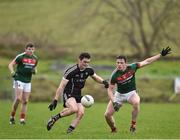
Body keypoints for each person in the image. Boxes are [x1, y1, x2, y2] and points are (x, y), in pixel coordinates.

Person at [104, 47, 171, 133]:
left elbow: (147, 61)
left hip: (131, 93)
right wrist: (114, 102)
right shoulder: (114, 75)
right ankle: (113, 129)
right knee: (107, 115)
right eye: (117, 63)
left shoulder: (133, 67)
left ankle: (133, 125)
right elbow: (110, 90)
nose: (119, 64)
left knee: (136, 102)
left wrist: (160, 55)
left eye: (121, 63)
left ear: (125, 63)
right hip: (119, 94)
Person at [46, 52, 109, 133]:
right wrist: (55, 100)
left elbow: (95, 77)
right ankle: (54, 118)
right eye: (84, 62)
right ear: (79, 60)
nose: (86, 64)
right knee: (74, 109)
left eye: (88, 62)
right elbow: (61, 86)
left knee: (81, 113)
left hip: (78, 94)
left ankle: (69, 132)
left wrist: (104, 82)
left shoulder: (89, 70)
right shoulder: (71, 71)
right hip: (68, 93)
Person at [8, 42, 38, 125]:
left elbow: (35, 69)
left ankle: (22, 119)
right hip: (19, 79)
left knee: (25, 101)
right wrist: (12, 72)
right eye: (29, 49)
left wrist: (34, 71)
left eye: (32, 49)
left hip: (28, 81)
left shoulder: (35, 58)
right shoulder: (20, 57)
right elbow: (10, 65)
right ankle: (12, 116)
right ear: (26, 49)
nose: (31, 51)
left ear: (34, 50)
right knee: (18, 98)